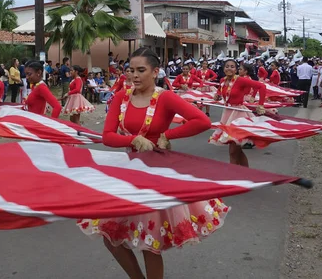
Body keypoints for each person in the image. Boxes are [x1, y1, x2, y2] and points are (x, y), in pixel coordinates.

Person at [78, 47, 223, 279]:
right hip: (127, 172)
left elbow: (202, 121)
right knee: (110, 237)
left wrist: (168, 136)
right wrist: (132, 139)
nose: (134, 75)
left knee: (150, 242)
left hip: (156, 174)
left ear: (155, 72)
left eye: (141, 70)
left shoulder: (165, 97)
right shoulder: (120, 97)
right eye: (131, 70)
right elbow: (107, 136)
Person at [210, 59, 266, 167]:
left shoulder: (240, 80)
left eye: (232, 66)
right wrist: (217, 95)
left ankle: (234, 177)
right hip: (227, 114)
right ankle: (245, 174)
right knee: (237, 151)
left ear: (236, 69)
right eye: (227, 66)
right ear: (223, 68)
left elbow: (262, 86)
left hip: (238, 116)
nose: (229, 68)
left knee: (233, 151)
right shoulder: (223, 80)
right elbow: (222, 91)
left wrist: (261, 104)